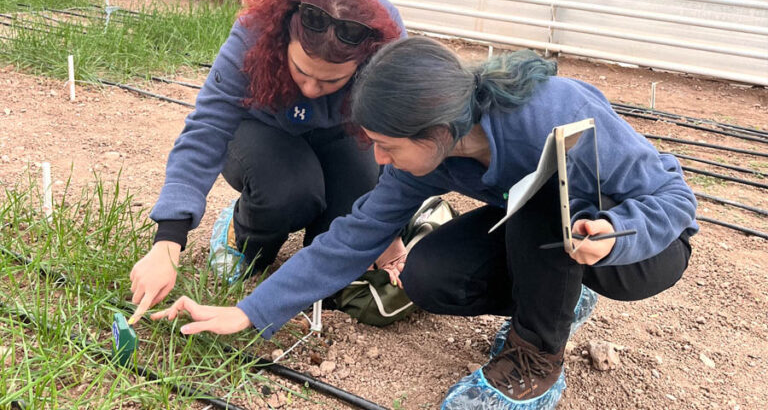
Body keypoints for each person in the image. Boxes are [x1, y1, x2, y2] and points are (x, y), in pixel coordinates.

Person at [150, 37, 698, 409]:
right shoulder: (433, 158)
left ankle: (535, 360)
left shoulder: (553, 112)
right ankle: (561, 296)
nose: (380, 161)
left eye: (386, 147)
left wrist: (616, 234)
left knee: (542, 191)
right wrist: (249, 313)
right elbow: (351, 238)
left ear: (436, 130)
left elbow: (675, 198)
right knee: (430, 274)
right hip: (549, 234)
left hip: (642, 248)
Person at [129, 0, 407, 323]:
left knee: (341, 244)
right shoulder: (254, 33)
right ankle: (237, 230)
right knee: (290, 194)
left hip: (339, 134)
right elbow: (208, 129)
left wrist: (388, 232)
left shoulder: (386, 43)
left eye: (331, 81)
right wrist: (167, 242)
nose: (311, 88)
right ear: (282, 43)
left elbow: (398, 137)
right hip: (260, 130)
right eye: (302, 72)